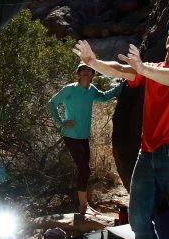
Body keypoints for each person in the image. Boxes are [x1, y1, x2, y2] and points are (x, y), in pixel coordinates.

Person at [74, 25, 169, 239]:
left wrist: (143, 68)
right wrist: (93, 61)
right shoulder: (152, 70)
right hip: (146, 156)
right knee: (138, 223)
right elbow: (123, 70)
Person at [47, 62, 122, 219]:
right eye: (83, 70)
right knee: (84, 170)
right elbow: (52, 103)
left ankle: (84, 204)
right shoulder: (70, 89)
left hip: (83, 136)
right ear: (78, 73)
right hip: (70, 135)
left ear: (93, 74)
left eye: (89, 70)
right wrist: (61, 121)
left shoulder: (91, 90)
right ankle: (83, 206)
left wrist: (123, 85)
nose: (86, 73)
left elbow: (103, 97)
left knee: (85, 170)